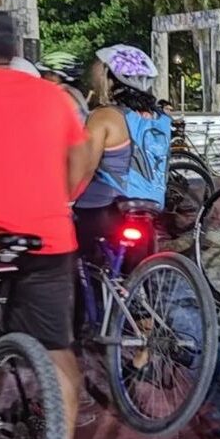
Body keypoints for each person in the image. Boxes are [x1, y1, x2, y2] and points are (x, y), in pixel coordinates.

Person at [0, 10, 89, 439]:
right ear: (13, 51)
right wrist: (51, 202)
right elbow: (79, 168)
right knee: (59, 352)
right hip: (45, 241)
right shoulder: (53, 97)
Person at [74, 44, 170, 272]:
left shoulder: (104, 116)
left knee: (66, 257)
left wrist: (66, 200)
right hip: (148, 208)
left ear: (111, 77)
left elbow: (85, 170)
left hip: (105, 208)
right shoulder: (161, 119)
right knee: (135, 279)